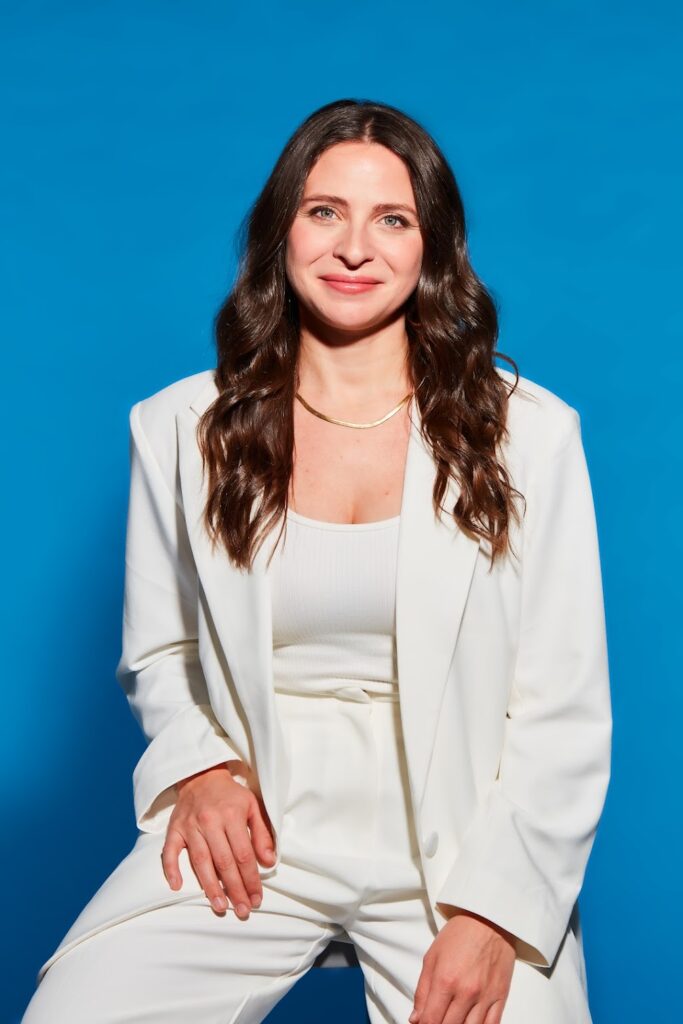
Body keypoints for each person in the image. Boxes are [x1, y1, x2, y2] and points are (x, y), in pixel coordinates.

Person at [22, 98, 612, 1024]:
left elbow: (563, 707)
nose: (354, 249)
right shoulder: (180, 429)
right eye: (324, 211)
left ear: (432, 249)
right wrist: (199, 771)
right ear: (282, 230)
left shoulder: (529, 435)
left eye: (392, 220)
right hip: (259, 838)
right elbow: (161, 654)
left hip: (458, 851)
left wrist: (495, 913)